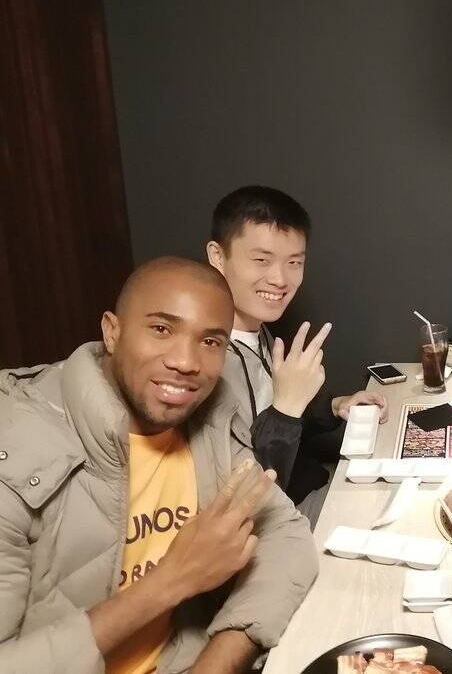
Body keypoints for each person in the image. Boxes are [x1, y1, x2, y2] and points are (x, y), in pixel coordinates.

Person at [0, 257, 317, 674]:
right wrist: (171, 582)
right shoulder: (16, 444)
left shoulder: (212, 415)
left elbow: (285, 536)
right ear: (112, 331)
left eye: (211, 341)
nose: (186, 362)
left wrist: (215, 665)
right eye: (162, 329)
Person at [206, 186, 386, 515]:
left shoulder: (257, 330)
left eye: (294, 262)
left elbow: (272, 405)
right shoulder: (203, 360)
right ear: (218, 257)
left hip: (311, 484)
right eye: (261, 260)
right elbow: (248, 499)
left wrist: (335, 405)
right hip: (278, 516)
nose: (279, 279)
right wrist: (288, 406)